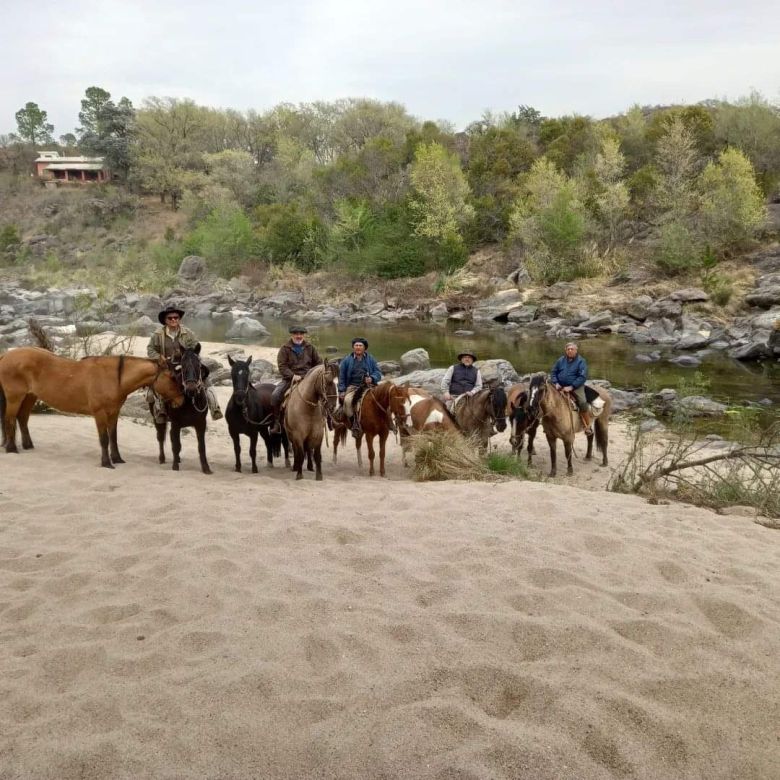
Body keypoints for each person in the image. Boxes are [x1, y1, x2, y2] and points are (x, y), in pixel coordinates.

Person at [147, 305, 223, 420]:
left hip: (186, 364)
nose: (173, 320)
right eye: (170, 318)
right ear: (165, 320)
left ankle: (215, 408)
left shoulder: (188, 333)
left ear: (179, 319)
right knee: (155, 388)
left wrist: (191, 357)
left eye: (176, 317)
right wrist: (159, 357)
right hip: (166, 365)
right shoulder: (157, 335)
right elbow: (150, 349)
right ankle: (161, 410)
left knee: (206, 380)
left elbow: (195, 347)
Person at [269, 325, 323, 434]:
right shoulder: (285, 348)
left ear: (304, 335)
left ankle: (328, 420)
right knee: (275, 395)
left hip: (308, 379)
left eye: (301, 334)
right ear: (292, 335)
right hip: (290, 379)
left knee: (326, 393)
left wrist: (311, 375)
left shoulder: (310, 347)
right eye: (296, 334)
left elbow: (319, 363)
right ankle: (277, 423)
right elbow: (282, 366)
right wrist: (293, 375)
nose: (298, 336)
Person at [338, 338, 382, 437]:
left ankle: (388, 422)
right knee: (347, 401)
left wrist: (372, 378)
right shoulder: (346, 360)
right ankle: (354, 424)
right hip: (353, 387)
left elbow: (378, 373)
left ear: (364, 348)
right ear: (353, 347)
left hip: (369, 386)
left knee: (384, 399)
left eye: (360, 345)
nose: (358, 347)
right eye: (356, 345)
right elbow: (341, 377)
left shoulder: (371, 359)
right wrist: (341, 390)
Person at [551, 341, 591, 433]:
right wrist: (556, 382)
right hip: (559, 386)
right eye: (568, 349)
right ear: (565, 350)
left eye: (572, 349)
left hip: (576, 387)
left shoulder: (581, 361)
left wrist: (572, 386)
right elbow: (553, 372)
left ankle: (587, 425)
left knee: (582, 402)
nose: (569, 351)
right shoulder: (560, 360)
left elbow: (582, 376)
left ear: (576, 350)